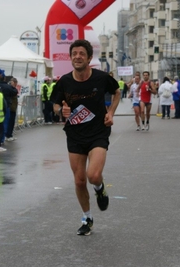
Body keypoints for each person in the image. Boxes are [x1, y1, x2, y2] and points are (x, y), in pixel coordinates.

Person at [51, 39, 120, 236]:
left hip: (98, 132)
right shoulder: (64, 82)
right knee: (80, 181)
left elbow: (116, 91)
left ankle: (100, 188)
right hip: (75, 135)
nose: (78, 56)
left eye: (82, 53)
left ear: (89, 58)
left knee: (93, 175)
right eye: (74, 53)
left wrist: (111, 112)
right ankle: (87, 218)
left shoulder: (101, 78)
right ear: (71, 57)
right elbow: (55, 104)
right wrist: (60, 110)